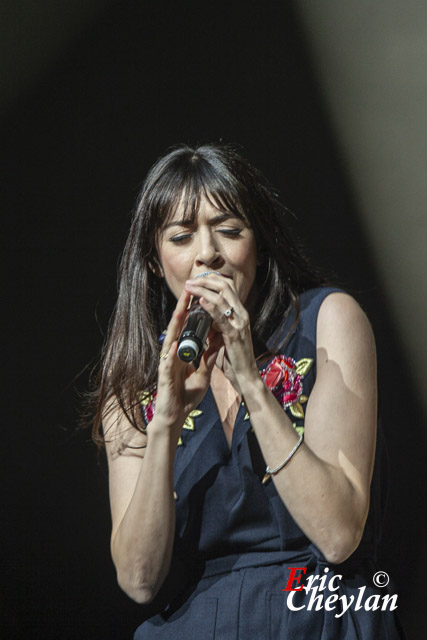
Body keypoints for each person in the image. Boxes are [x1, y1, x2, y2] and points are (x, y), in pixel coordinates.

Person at [91, 143, 405, 639]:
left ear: (258, 244)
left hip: (319, 611)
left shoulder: (328, 321)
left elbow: (339, 534)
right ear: (155, 261)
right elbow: (138, 578)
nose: (207, 253)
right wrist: (165, 424)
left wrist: (254, 389)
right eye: (181, 236)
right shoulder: (135, 384)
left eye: (229, 230)